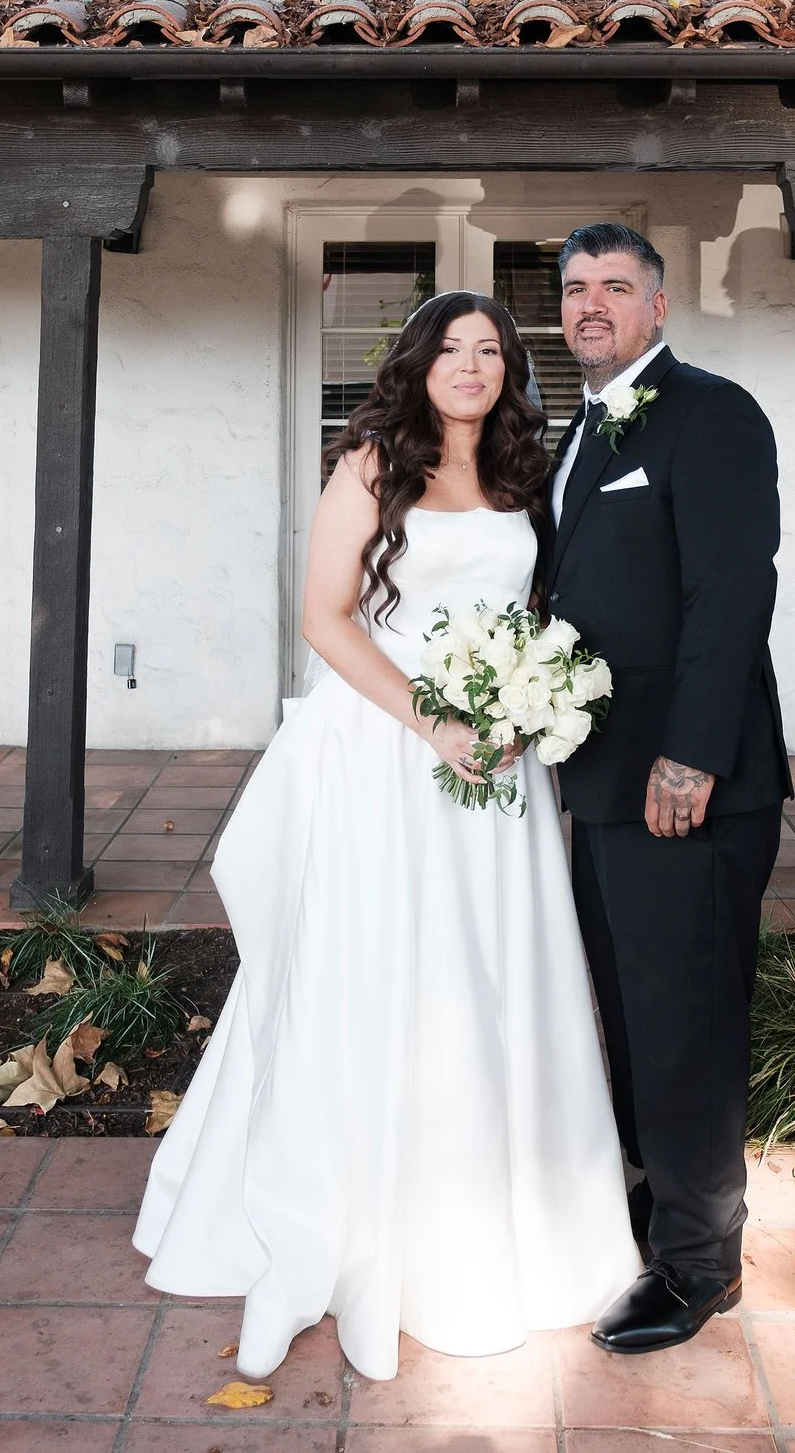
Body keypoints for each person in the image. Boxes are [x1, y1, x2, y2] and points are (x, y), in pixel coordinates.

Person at [132, 289, 638, 1383]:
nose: (471, 364)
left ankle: (506, 1225)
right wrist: (436, 720)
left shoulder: (518, 473)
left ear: (511, 369)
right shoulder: (371, 460)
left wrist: (525, 703)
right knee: (375, 976)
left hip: (492, 771)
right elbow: (323, 616)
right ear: (415, 362)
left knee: (493, 979)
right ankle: (346, 1220)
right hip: (388, 753)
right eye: (450, 347)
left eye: (490, 349)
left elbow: (534, 610)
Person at [542, 222, 791, 1354]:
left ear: (659, 304)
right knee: (636, 1015)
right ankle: (659, 1209)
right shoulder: (577, 431)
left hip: (682, 782)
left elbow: (732, 591)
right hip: (597, 781)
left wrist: (690, 752)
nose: (591, 304)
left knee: (685, 1019)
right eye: (574, 289)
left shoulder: (712, 413)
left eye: (614, 286)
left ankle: (699, 1263)